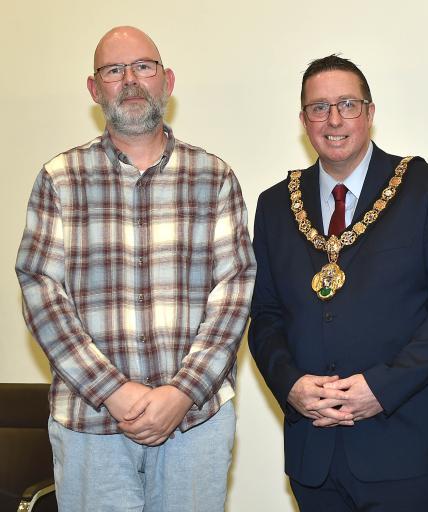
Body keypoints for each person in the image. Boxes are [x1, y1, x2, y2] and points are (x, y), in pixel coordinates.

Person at [16, 26, 256, 511]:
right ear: (94, 88)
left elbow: (235, 293)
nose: (130, 80)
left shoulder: (214, 177)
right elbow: (41, 292)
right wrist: (114, 391)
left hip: (195, 423)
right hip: (90, 425)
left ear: (167, 81)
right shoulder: (60, 179)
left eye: (143, 67)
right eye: (114, 70)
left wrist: (181, 392)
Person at [249, 55, 428, 511]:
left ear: (370, 113)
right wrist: (291, 385)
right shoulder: (274, 205)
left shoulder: (426, 188)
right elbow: (265, 315)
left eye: (347, 104)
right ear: (303, 121)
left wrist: (382, 388)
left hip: (406, 443)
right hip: (313, 448)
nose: (334, 119)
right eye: (319, 107)